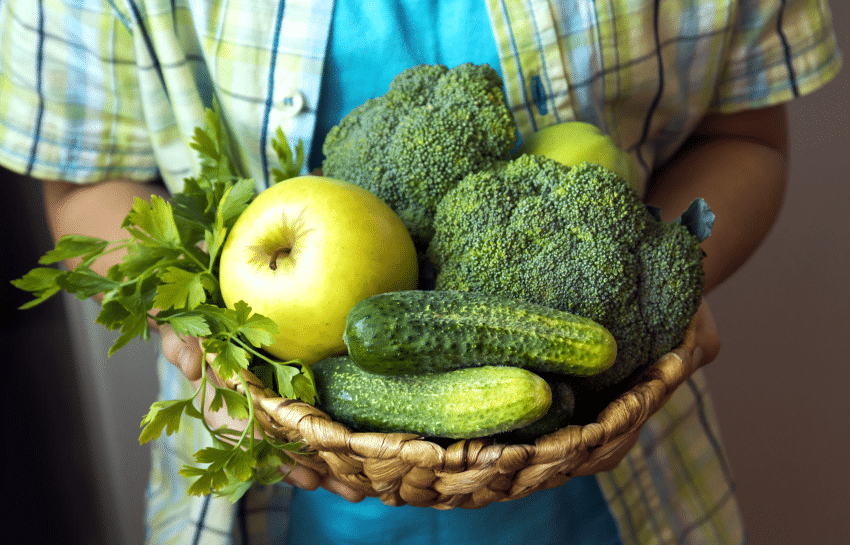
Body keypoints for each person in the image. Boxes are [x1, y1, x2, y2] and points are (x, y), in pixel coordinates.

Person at [0, 0, 841, 543]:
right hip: (258, 504)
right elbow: (84, 180)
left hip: (622, 490)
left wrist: (666, 280)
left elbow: (748, 138)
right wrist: (188, 330)